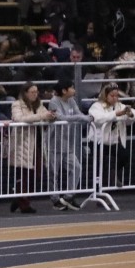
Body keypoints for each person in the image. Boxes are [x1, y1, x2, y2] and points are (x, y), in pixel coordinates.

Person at [9, 82, 56, 213]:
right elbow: (19, 118)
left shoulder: (39, 104)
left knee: (36, 174)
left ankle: (19, 198)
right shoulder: (17, 104)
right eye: (32, 92)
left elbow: (45, 115)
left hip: (37, 142)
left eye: (36, 92)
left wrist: (51, 117)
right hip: (22, 142)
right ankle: (24, 203)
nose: (35, 94)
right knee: (23, 174)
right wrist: (41, 117)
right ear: (25, 93)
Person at [46, 79, 91, 211]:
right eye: (71, 87)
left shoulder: (71, 100)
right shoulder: (54, 101)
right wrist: (82, 118)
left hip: (68, 143)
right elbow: (60, 117)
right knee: (53, 173)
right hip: (54, 143)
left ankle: (68, 196)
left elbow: (78, 113)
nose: (74, 90)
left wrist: (83, 117)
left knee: (76, 167)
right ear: (64, 90)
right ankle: (55, 199)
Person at [89, 83, 135, 189]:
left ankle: (112, 174)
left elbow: (134, 113)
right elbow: (98, 118)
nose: (115, 98)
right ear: (105, 95)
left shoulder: (120, 106)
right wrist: (116, 114)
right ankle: (98, 189)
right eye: (112, 95)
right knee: (99, 165)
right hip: (98, 141)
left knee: (124, 156)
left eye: (116, 95)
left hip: (114, 140)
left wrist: (130, 114)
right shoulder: (96, 106)